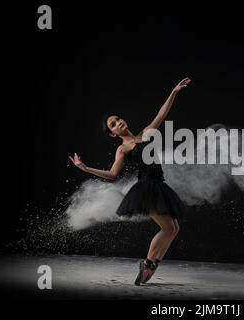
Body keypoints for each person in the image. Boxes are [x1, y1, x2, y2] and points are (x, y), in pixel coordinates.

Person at [69, 77, 191, 285]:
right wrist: (85, 168)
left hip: (159, 185)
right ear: (113, 133)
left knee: (174, 228)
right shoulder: (123, 148)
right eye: (113, 124)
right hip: (146, 188)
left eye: (118, 119)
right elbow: (112, 174)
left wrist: (174, 92)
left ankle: (152, 263)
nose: (118, 122)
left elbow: (161, 114)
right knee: (169, 228)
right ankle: (147, 263)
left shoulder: (145, 133)